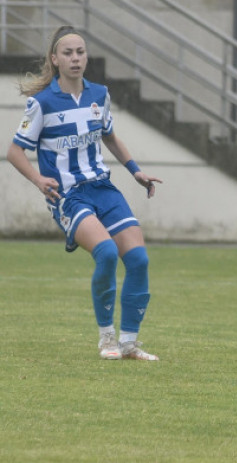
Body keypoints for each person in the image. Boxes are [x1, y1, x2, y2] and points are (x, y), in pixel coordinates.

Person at [6, 25, 161, 361]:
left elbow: (110, 136)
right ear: (55, 59)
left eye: (80, 52)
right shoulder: (41, 103)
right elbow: (15, 152)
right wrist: (37, 179)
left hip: (103, 188)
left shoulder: (99, 94)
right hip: (68, 196)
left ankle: (130, 343)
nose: (75, 58)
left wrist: (136, 172)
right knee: (106, 253)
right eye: (68, 53)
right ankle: (107, 339)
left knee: (138, 259)